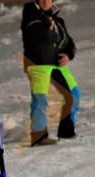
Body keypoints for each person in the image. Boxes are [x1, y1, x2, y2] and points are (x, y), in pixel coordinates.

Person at [21, 0, 80, 146]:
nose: (45, 1)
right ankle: (39, 136)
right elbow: (42, 36)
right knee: (40, 99)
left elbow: (69, 42)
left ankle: (66, 132)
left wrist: (68, 54)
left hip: (57, 64)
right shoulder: (31, 15)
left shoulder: (57, 20)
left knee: (73, 94)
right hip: (38, 64)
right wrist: (51, 28)